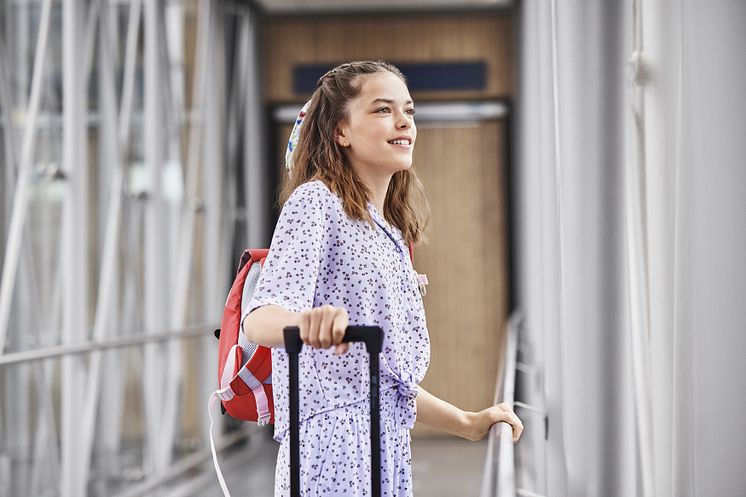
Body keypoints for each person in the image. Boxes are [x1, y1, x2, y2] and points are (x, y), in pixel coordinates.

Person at [243, 60, 523, 497]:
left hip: (387, 448)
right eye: (381, 109)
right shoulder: (316, 202)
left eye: (408, 110)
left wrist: (467, 423)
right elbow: (259, 319)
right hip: (333, 453)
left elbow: (388, 385)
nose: (403, 121)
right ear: (341, 131)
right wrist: (307, 325)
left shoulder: (387, 230)